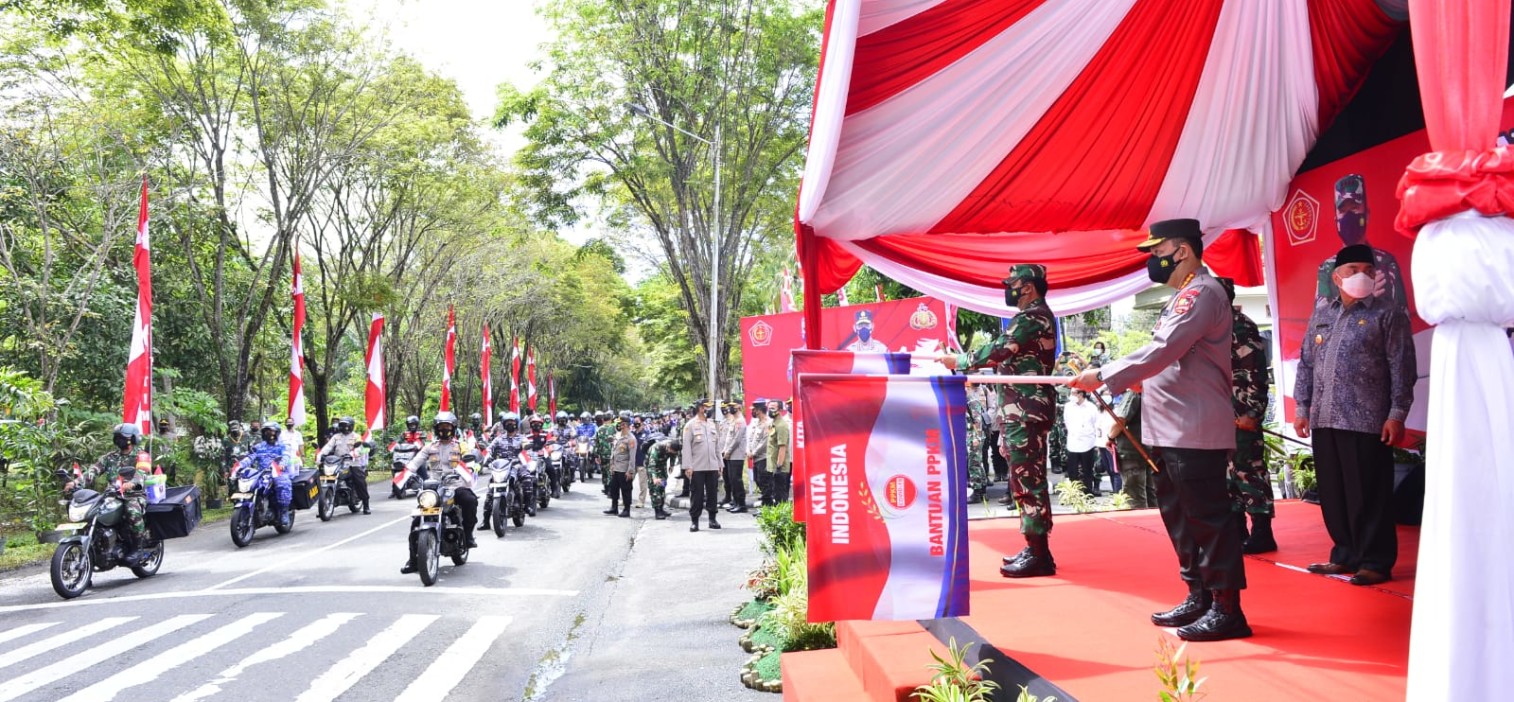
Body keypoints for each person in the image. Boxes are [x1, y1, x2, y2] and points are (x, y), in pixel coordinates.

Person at [1071, 218, 1249, 642]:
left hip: (1194, 428)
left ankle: (1227, 609)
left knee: (1208, 518)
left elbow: (1165, 348)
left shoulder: (1201, 292)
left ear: (1182, 251)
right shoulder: (1182, 296)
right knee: (1181, 518)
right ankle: (1199, 594)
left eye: (1157, 251)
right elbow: (1174, 359)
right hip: (1170, 427)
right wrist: (1136, 380)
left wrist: (1105, 373)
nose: (1153, 260)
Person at [1294, 243, 1415, 587]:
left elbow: (1402, 366)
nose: (1361, 276)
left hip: (1367, 419)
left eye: (1368, 270)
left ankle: (1375, 561)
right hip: (1324, 417)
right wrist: (1302, 407)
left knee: (1369, 493)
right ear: (1337, 277)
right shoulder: (1322, 313)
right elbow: (1306, 364)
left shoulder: (1388, 314)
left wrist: (1397, 413)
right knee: (1334, 492)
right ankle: (1345, 553)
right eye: (1353, 270)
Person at [941, 263, 1058, 578]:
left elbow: (999, 350)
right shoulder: (1035, 316)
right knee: (1024, 480)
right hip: (1021, 411)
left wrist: (960, 360)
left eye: (1013, 285)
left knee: (1027, 480)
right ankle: (1035, 547)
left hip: (1025, 412)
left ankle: (1040, 555)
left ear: (1028, 287)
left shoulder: (1032, 317)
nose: (1009, 290)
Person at [1217, 277, 1277, 554]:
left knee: (1248, 471)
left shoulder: (1241, 326)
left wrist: (1253, 412)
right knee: (1227, 474)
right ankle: (1237, 529)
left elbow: (1256, 374)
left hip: (1242, 413)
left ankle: (1262, 532)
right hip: (1220, 415)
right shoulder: (1214, 326)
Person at [1313, 174, 1408, 310]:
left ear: (1366, 215)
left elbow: (1402, 316)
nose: (1348, 216)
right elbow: (1322, 317)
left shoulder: (1386, 263)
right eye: (1343, 211)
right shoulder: (1327, 269)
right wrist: (1364, 301)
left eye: (1354, 208)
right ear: (1336, 220)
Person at [400, 412, 479, 573]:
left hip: (455, 485)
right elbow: (415, 463)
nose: (444, 430)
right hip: (434, 488)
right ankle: (413, 560)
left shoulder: (461, 445)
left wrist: (470, 467)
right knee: (417, 521)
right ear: (436, 429)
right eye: (441, 427)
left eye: (447, 427)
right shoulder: (429, 446)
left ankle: (468, 535)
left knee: (470, 500)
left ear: (453, 428)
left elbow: (470, 460)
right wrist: (406, 474)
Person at [68, 423, 153, 566]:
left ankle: (137, 547)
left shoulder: (141, 456)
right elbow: (92, 471)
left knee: (132, 511)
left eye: (123, 438)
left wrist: (132, 483)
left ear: (133, 439)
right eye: (117, 437)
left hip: (133, 495)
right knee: (93, 512)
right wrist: (76, 483)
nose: (119, 440)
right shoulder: (110, 457)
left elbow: (142, 473)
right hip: (112, 495)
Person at [240, 420, 295, 525]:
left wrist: (282, 464)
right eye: (266, 431)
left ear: (277, 432)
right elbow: (250, 457)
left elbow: (286, 456)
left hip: (279, 472)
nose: (269, 433)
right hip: (262, 473)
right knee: (249, 484)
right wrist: (240, 465)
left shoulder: (283, 445)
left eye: (271, 431)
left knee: (282, 484)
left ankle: (284, 512)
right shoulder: (259, 446)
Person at [1110, 388, 1157, 509]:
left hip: (1133, 451)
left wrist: (1110, 437)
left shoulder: (1133, 393)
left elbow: (1120, 421)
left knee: (1135, 497)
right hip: (1146, 448)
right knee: (1150, 493)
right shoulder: (1149, 391)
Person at [483, 412, 531, 524]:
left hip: (517, 465)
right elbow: (489, 449)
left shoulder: (521, 438)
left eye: (512, 422)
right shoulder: (498, 439)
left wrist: (526, 447)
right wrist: (487, 458)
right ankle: (485, 521)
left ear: (516, 424)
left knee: (527, 479)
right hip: (501, 466)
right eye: (507, 422)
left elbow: (526, 446)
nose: (510, 424)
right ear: (504, 425)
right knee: (491, 489)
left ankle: (527, 506)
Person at [682, 399, 722, 531]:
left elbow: (717, 446)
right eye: (707, 407)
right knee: (697, 495)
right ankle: (695, 521)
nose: (709, 410)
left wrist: (720, 463)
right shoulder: (690, 425)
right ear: (700, 408)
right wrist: (688, 466)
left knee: (712, 494)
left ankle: (712, 519)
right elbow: (686, 448)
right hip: (697, 466)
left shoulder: (712, 424)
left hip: (712, 466)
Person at [316, 416, 371, 514]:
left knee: (359, 480)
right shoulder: (336, 437)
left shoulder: (356, 436)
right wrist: (321, 455)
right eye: (342, 425)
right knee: (325, 475)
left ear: (351, 426)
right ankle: (327, 499)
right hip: (338, 462)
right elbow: (328, 447)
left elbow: (360, 448)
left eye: (345, 425)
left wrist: (353, 454)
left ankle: (366, 505)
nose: (344, 427)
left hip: (353, 462)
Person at [1063, 389, 1103, 497]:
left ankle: (1088, 493)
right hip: (1073, 442)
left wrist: (1096, 441)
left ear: (1080, 394)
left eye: (1073, 393)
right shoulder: (1068, 406)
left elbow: (1096, 424)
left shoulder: (1091, 407)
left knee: (1087, 470)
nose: (1071, 395)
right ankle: (1074, 494)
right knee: (1072, 471)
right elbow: (1067, 422)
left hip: (1088, 442)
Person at [605, 413, 637, 517]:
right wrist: (611, 465)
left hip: (624, 469)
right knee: (614, 488)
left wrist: (630, 471)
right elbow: (614, 451)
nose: (618, 425)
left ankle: (627, 510)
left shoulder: (631, 438)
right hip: (615, 468)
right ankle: (614, 508)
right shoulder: (618, 436)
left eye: (620, 423)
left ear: (625, 425)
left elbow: (632, 456)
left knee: (626, 490)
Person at [720, 401, 749, 512]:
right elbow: (728, 438)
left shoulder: (740, 421)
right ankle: (736, 502)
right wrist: (725, 450)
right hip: (731, 454)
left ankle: (741, 504)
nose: (730, 408)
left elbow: (736, 439)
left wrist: (728, 451)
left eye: (733, 406)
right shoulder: (734, 420)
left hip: (737, 454)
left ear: (739, 407)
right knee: (732, 480)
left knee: (737, 480)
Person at [965, 385, 991, 501]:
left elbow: (977, 421)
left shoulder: (971, 400)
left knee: (974, 464)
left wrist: (976, 437)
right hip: (972, 435)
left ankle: (977, 492)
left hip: (975, 436)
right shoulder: (966, 399)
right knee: (977, 463)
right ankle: (982, 491)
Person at [645, 438, 681, 520]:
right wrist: (654, 478)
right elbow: (652, 465)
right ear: (669, 447)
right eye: (670, 450)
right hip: (652, 468)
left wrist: (671, 465)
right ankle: (657, 511)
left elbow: (674, 455)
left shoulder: (675, 447)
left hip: (662, 467)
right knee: (655, 489)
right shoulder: (657, 448)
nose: (670, 452)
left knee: (662, 487)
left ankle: (661, 509)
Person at [764, 400, 792, 504]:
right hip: (772, 464)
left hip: (779, 467)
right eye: (769, 408)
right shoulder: (772, 423)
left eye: (773, 408)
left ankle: (782, 512)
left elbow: (782, 447)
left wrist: (779, 466)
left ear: (780, 410)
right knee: (774, 492)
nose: (770, 410)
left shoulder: (781, 425)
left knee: (780, 495)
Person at [747, 399, 772, 506]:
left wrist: (754, 452)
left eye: (755, 410)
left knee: (764, 481)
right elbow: (751, 437)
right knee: (757, 479)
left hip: (764, 457)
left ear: (759, 410)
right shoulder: (756, 423)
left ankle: (767, 504)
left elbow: (765, 441)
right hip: (756, 457)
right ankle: (765, 501)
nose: (754, 412)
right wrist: (749, 450)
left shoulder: (769, 423)